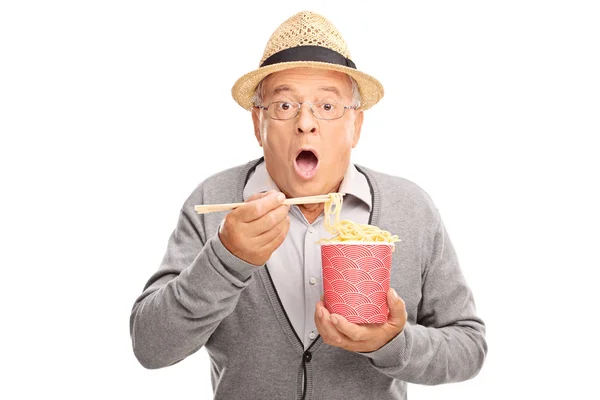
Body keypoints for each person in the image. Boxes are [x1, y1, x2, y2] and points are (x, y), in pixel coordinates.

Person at [130, 10, 487, 400]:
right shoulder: (213, 201)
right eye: (284, 106)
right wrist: (226, 259)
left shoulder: (411, 208)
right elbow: (151, 347)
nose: (306, 124)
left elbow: (468, 348)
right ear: (257, 125)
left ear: (357, 126)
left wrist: (389, 343)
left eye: (328, 107)